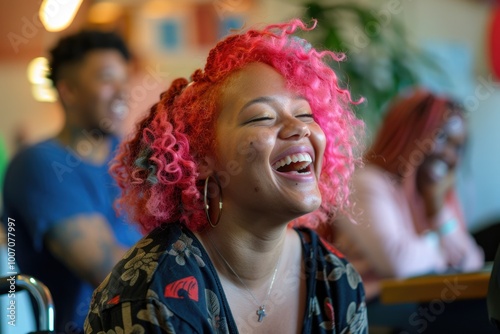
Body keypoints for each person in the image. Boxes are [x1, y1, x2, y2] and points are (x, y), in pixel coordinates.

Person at [84, 19, 368, 333]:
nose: (300, 127)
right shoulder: (155, 291)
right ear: (203, 158)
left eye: (305, 114)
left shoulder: (335, 279)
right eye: (262, 117)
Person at [2, 30, 142, 333]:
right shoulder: (38, 164)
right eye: (107, 79)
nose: (122, 91)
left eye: (124, 79)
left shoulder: (137, 156)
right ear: (68, 91)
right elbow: (109, 273)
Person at [326, 88, 488, 331]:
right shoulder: (367, 182)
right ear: (409, 132)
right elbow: (397, 262)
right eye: (442, 138)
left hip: (416, 300)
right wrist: (441, 249)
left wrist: (436, 208)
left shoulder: (433, 192)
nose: (448, 154)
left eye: (457, 147)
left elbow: (472, 261)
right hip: (367, 305)